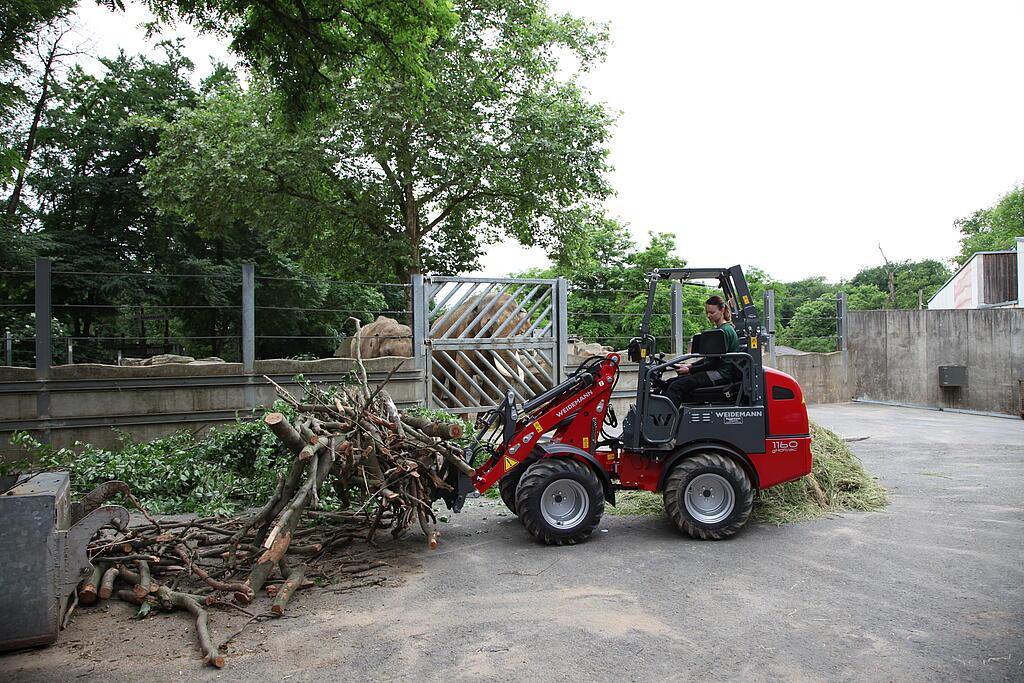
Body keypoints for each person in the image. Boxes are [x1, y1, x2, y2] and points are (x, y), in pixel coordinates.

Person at [663, 295, 740, 405]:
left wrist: (690, 370)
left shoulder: (723, 332)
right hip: (715, 370)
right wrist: (690, 366)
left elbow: (714, 363)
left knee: (676, 386)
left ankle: (667, 420)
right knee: (670, 382)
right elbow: (709, 359)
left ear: (722, 310)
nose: (709, 315)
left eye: (712, 312)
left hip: (721, 374)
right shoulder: (721, 330)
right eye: (707, 312)